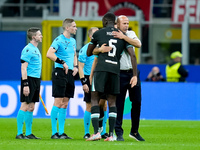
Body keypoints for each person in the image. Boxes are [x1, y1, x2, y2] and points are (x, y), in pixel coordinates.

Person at [86, 12, 137, 141]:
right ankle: (111, 135)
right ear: (115, 22)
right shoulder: (122, 36)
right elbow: (132, 55)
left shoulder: (98, 33)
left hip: (101, 69)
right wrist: (135, 74)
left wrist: (99, 50)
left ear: (104, 21)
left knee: (95, 99)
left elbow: (88, 52)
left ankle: (96, 132)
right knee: (112, 101)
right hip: (115, 70)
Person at [111, 15, 145, 141]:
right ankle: (118, 132)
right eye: (124, 23)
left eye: (127, 23)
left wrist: (124, 37)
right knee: (119, 103)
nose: (126, 25)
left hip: (133, 73)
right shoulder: (113, 35)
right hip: (119, 73)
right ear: (117, 24)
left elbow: (139, 44)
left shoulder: (130, 33)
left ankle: (134, 131)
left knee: (137, 102)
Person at [46, 18, 78, 139]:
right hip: (59, 72)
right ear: (67, 28)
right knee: (58, 102)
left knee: (65, 103)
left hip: (70, 73)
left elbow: (74, 54)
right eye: (74, 26)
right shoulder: (58, 40)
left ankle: (62, 132)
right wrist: (62, 62)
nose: (76, 28)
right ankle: (54, 132)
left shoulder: (73, 41)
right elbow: (49, 54)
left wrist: (75, 66)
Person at [78, 27, 108, 139]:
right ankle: (86, 132)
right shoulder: (85, 49)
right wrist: (84, 82)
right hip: (89, 78)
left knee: (104, 105)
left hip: (101, 76)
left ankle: (103, 131)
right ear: (90, 36)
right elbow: (80, 67)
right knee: (89, 106)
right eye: (96, 34)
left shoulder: (103, 48)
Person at [16, 27, 43, 139]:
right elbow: (23, 67)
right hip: (29, 79)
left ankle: (28, 133)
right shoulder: (28, 49)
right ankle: (19, 133)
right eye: (39, 34)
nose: (41, 36)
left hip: (36, 79)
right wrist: (26, 84)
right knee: (25, 105)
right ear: (33, 37)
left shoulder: (36, 49)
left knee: (31, 106)